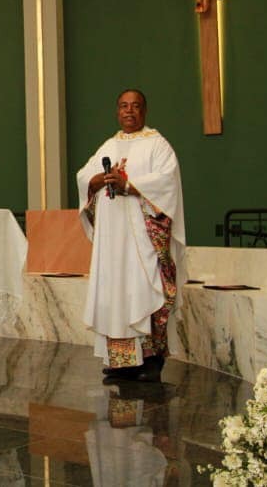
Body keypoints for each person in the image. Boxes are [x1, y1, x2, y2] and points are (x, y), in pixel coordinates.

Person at [77, 89, 185, 383]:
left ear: (144, 111)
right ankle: (122, 362)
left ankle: (150, 361)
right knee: (116, 295)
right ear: (117, 111)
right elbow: (84, 176)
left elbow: (166, 182)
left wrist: (128, 185)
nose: (129, 111)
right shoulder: (109, 145)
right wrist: (99, 179)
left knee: (145, 292)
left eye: (135, 106)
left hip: (143, 238)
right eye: (124, 106)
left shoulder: (157, 145)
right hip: (113, 241)